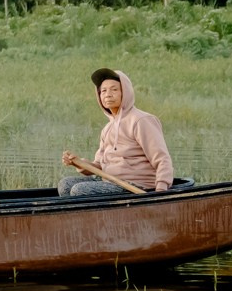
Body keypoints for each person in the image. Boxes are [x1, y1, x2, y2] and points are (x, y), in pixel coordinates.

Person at [59, 68, 174, 196]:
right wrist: (79, 163)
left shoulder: (141, 120)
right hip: (110, 182)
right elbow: (99, 166)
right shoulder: (107, 129)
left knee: (80, 190)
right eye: (103, 91)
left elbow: (162, 159)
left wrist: (161, 191)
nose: (108, 94)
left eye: (114, 89)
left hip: (137, 186)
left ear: (125, 93)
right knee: (66, 184)